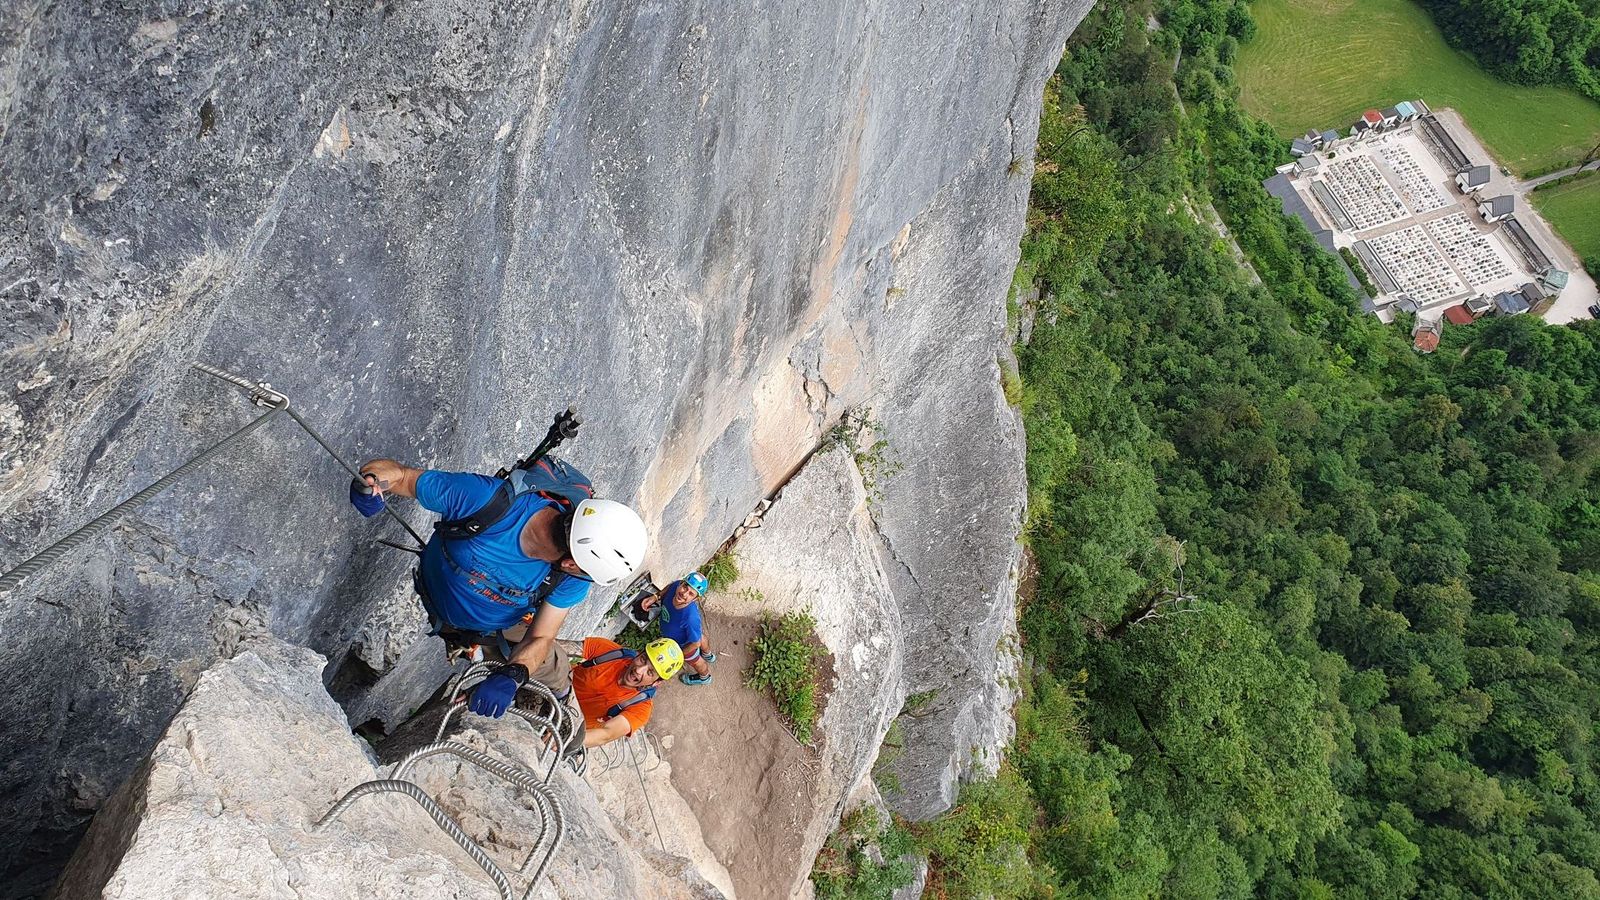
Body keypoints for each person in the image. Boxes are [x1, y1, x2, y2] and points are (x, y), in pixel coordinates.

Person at [352, 459, 647, 719]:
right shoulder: (489, 502)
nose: (585, 579)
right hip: (455, 606)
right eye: (587, 573)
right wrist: (372, 482)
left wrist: (513, 674)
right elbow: (401, 476)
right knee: (555, 667)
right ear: (571, 563)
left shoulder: (568, 579)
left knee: (555, 671)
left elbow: (543, 636)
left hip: (494, 628)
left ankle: (557, 709)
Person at [556, 635, 681, 748]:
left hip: (565, 725)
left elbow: (606, 733)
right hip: (555, 688)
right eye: (643, 659)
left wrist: (568, 740)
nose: (639, 670)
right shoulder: (610, 653)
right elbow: (554, 646)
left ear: (656, 683)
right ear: (638, 653)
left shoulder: (641, 709)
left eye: (650, 672)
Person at [640, 571, 715, 685]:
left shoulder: (690, 618)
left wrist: (679, 654)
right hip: (686, 634)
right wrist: (656, 597)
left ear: (695, 599)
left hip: (683, 644)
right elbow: (670, 588)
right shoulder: (676, 586)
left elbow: (695, 643)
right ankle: (708, 654)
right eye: (685, 587)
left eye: (691, 594)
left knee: (696, 661)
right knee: (699, 635)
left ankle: (704, 677)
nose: (684, 594)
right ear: (681, 583)